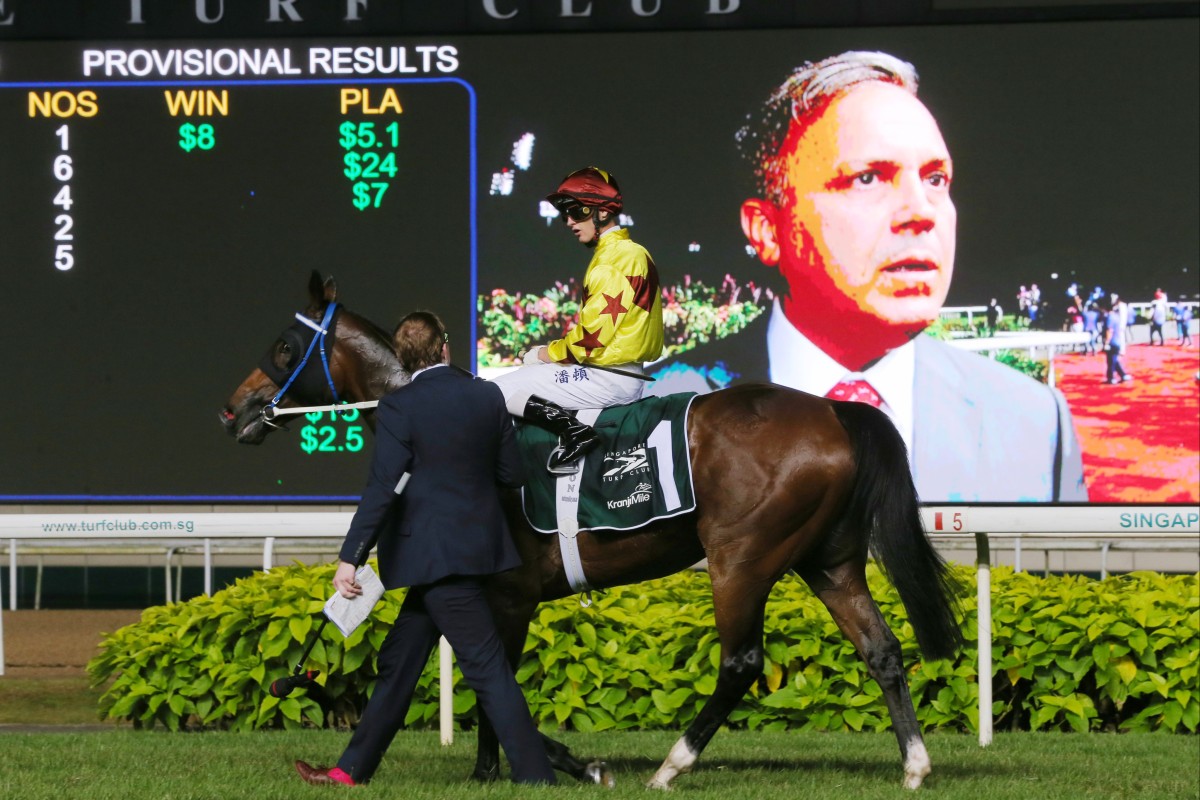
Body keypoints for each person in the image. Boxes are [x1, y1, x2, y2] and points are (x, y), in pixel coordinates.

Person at [650, 50, 1087, 502]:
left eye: (936, 179)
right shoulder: (653, 418)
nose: (921, 211)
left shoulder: (1036, 423)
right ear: (768, 229)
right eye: (867, 178)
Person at [294, 311, 556, 788]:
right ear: (445, 348)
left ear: (405, 358)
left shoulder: (398, 407)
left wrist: (350, 557)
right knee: (399, 663)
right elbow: (512, 475)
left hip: (433, 560)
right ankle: (350, 771)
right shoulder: (487, 393)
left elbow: (382, 488)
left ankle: (537, 777)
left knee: (489, 671)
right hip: (472, 552)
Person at [492, 166, 664, 473]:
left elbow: (590, 340)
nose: (569, 222)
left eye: (575, 212)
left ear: (600, 211)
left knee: (494, 392)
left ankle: (575, 432)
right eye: (565, 215)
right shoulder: (624, 252)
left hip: (607, 376)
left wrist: (543, 354)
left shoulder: (616, 258)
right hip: (618, 372)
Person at [1102, 295, 1132, 384]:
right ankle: (1123, 375)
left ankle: (1111, 378)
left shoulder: (1110, 317)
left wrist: (1106, 343)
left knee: (1111, 361)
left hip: (1112, 342)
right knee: (1114, 360)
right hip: (1117, 341)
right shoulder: (1116, 317)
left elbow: (1109, 331)